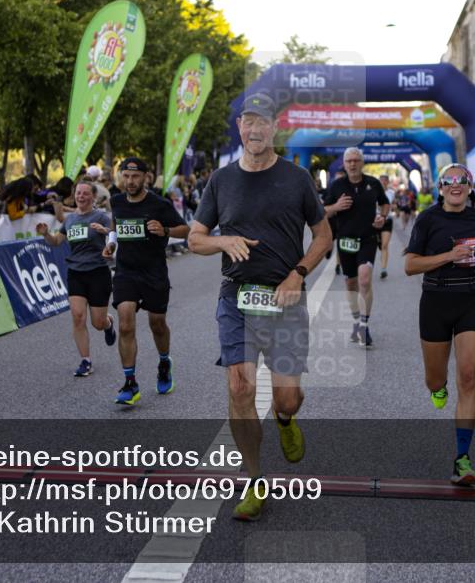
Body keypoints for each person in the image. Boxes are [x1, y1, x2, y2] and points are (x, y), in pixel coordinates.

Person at [188, 92, 332, 521]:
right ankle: (254, 480)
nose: (254, 129)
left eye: (262, 122)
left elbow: (323, 237)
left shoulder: (297, 179)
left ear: (275, 129)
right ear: (240, 128)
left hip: (284, 298)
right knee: (240, 387)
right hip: (236, 297)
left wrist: (297, 275)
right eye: (248, 121)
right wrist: (221, 240)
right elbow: (195, 238)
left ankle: (286, 421)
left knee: (286, 399)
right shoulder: (221, 181)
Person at [404, 163, 475, 487]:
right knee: (435, 381)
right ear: (441, 187)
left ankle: (462, 459)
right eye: (450, 181)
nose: (456, 185)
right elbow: (409, 265)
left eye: (463, 181)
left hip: (470, 301)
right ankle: (438, 386)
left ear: (470, 186)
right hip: (435, 302)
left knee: (468, 375)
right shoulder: (428, 219)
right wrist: (449, 256)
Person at [102, 157, 189, 402]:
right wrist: (111, 243)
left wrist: (166, 231)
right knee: (126, 323)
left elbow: (186, 229)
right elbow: (115, 225)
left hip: (154, 272)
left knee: (157, 324)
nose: (130, 181)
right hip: (126, 271)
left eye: (135, 176)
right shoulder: (117, 200)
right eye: (126, 177)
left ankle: (164, 363)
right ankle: (130, 383)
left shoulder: (160, 204)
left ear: (145, 178)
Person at [36, 181, 118, 380]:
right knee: (78, 317)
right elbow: (57, 242)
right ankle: (86, 360)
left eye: (85, 193)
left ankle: (108, 324)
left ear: (93, 197)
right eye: (78, 193)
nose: (81, 196)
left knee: (97, 322)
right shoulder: (70, 219)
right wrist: (46, 234)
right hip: (76, 272)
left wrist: (105, 232)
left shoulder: (101, 217)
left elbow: (115, 237)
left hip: (98, 272)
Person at [324, 147, 390, 348]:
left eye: (356, 160)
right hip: (345, 242)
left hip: (368, 238)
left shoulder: (373, 183)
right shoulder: (336, 186)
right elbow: (322, 212)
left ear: (362, 163)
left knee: (364, 279)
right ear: (344, 164)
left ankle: (364, 324)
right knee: (351, 284)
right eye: (349, 161)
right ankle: (355, 321)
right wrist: (336, 207)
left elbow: (385, 204)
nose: (352, 164)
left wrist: (382, 216)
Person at [376, 174, 396, 279]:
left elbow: (394, 204)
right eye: (381, 182)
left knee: (384, 245)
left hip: (387, 220)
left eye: (384, 182)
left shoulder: (391, 193)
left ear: (387, 183)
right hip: (374, 221)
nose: (382, 184)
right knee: (377, 245)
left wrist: (393, 207)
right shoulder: (373, 192)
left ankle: (383, 269)